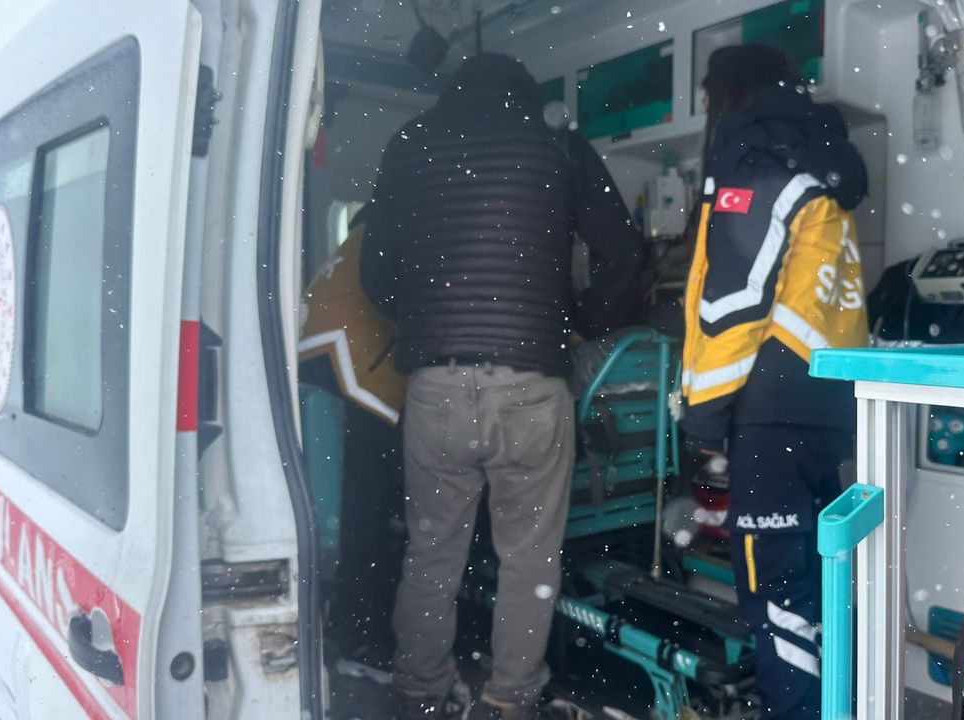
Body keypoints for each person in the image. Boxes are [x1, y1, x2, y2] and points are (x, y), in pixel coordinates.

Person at [360, 54, 643, 720]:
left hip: (435, 390)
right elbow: (624, 253)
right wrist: (581, 318)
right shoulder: (557, 143)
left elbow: (376, 275)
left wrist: (430, 320)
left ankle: (420, 689)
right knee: (528, 558)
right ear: (527, 94)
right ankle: (510, 698)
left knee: (431, 550)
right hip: (530, 388)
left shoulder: (411, 143)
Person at [680, 44, 869, 720]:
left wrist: (702, 417)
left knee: (780, 596)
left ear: (727, 95)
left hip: (771, 416)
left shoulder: (755, 164)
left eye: (709, 98)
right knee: (825, 587)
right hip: (832, 410)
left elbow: (731, 309)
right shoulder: (819, 167)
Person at [298, 210, 408, 686]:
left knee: (346, 513)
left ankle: (345, 627)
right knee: (365, 514)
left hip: (320, 366)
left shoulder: (369, 227)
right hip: (357, 375)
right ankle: (362, 640)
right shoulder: (405, 224)